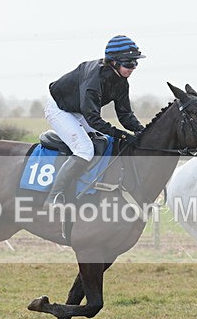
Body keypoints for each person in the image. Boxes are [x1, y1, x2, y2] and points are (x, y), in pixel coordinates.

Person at [43, 34, 146, 207]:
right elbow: (93, 119)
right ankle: (53, 196)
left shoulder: (121, 81)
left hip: (79, 109)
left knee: (104, 142)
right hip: (60, 109)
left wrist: (142, 131)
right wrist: (121, 135)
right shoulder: (94, 79)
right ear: (113, 62)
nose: (133, 68)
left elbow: (125, 114)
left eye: (135, 63)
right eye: (129, 63)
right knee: (85, 149)